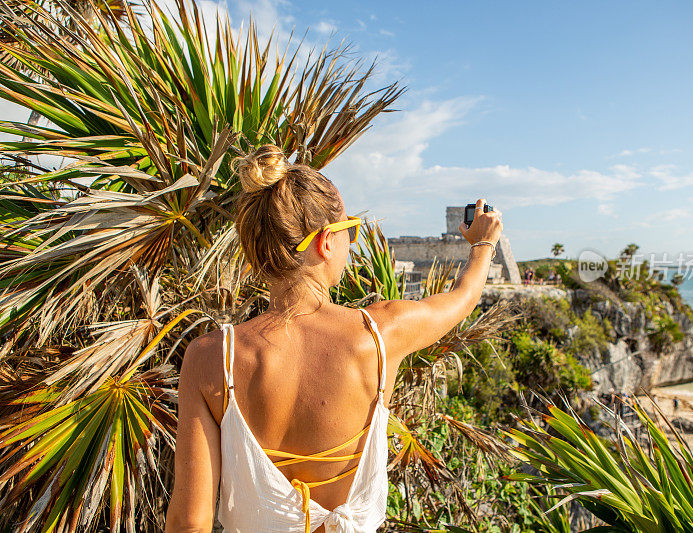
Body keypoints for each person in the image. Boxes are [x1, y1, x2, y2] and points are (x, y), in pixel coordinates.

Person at [165, 144, 503, 533]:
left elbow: (189, 522)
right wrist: (483, 244)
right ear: (326, 241)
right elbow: (462, 299)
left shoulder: (212, 357)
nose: (351, 243)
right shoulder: (379, 337)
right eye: (350, 230)